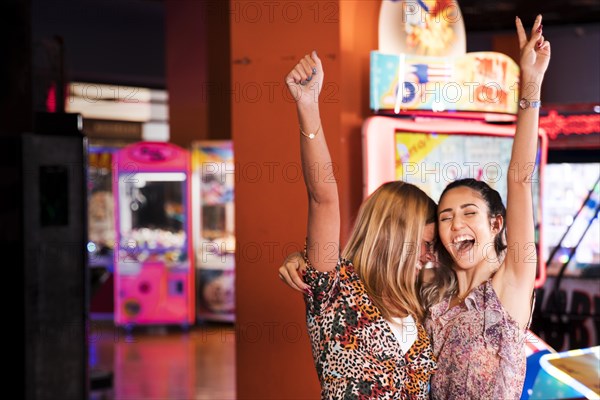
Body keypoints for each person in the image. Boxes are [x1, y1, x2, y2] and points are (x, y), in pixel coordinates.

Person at [280, 15, 550, 400]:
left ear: (496, 223)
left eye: (469, 212)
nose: (455, 224)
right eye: (445, 217)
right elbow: (327, 205)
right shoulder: (428, 297)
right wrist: (301, 257)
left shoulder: (508, 284)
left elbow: (520, 179)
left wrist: (532, 86)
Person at [282, 50, 437, 399]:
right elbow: (323, 197)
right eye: (426, 244)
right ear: (397, 235)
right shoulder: (336, 287)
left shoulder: (421, 300)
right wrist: (308, 106)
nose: (431, 257)